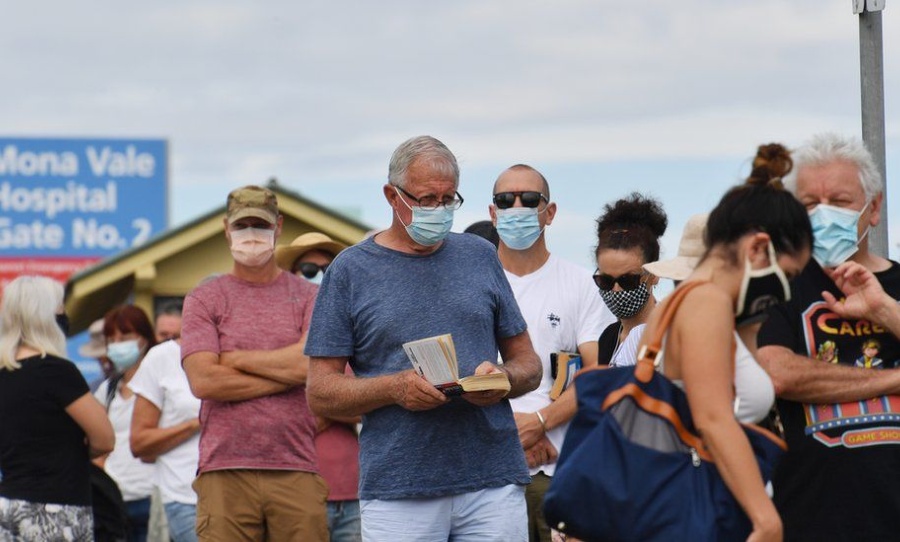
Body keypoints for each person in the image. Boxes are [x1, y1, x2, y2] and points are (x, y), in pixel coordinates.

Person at [304, 135, 542, 541]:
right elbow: (320, 391)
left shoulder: (480, 256)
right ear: (392, 196)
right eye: (427, 199)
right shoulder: (350, 271)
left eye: (449, 200)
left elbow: (530, 366)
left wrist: (501, 379)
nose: (439, 209)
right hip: (399, 488)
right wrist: (394, 388)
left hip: (492, 478)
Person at [639, 143, 812, 541]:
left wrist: (750, 320)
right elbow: (714, 418)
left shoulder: (701, 303)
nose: (788, 289)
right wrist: (766, 519)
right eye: (790, 273)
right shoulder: (705, 303)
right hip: (703, 515)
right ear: (757, 248)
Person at [757, 134, 900, 541]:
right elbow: (779, 374)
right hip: (812, 521)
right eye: (808, 204)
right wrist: (893, 379)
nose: (823, 215)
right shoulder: (777, 288)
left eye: (839, 202)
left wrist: (883, 309)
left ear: (873, 208)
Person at [181, 185, 327, 541]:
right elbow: (204, 382)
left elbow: (310, 368)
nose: (251, 234)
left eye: (259, 225)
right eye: (242, 225)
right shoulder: (204, 298)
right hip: (223, 469)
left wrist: (233, 359)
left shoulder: (310, 295)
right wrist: (291, 373)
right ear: (226, 228)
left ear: (277, 227)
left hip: (296, 466)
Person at [489, 164, 613, 542]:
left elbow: (598, 373)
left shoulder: (581, 284)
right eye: (504, 200)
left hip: (556, 470)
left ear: (550, 211)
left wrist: (541, 422)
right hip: (486, 476)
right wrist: (513, 438)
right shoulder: (473, 282)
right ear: (492, 213)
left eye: (529, 199)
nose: (516, 207)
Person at [0, 276, 115, 540]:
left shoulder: (4, 373)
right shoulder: (56, 371)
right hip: (57, 508)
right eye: (61, 309)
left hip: (9, 505)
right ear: (46, 317)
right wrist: (75, 450)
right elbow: (105, 438)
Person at [275, 231, 362, 542]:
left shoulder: (352, 332)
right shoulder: (275, 332)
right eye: (309, 271)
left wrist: (322, 402)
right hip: (295, 489)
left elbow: (366, 405)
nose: (320, 278)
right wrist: (335, 397)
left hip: (352, 488)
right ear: (291, 276)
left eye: (328, 269)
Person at [94, 305, 159, 542]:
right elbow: (96, 443)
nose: (118, 344)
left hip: (151, 496)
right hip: (115, 500)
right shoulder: (107, 389)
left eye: (126, 336)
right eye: (112, 339)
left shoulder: (162, 383)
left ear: (144, 338)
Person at [129, 332, 200, 542]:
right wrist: (197, 422)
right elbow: (139, 442)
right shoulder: (162, 357)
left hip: (244, 493)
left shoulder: (246, 348)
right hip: (185, 496)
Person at [593, 193, 667, 368]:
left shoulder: (665, 334)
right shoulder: (608, 336)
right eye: (605, 281)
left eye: (628, 281)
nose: (616, 290)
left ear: (654, 275)